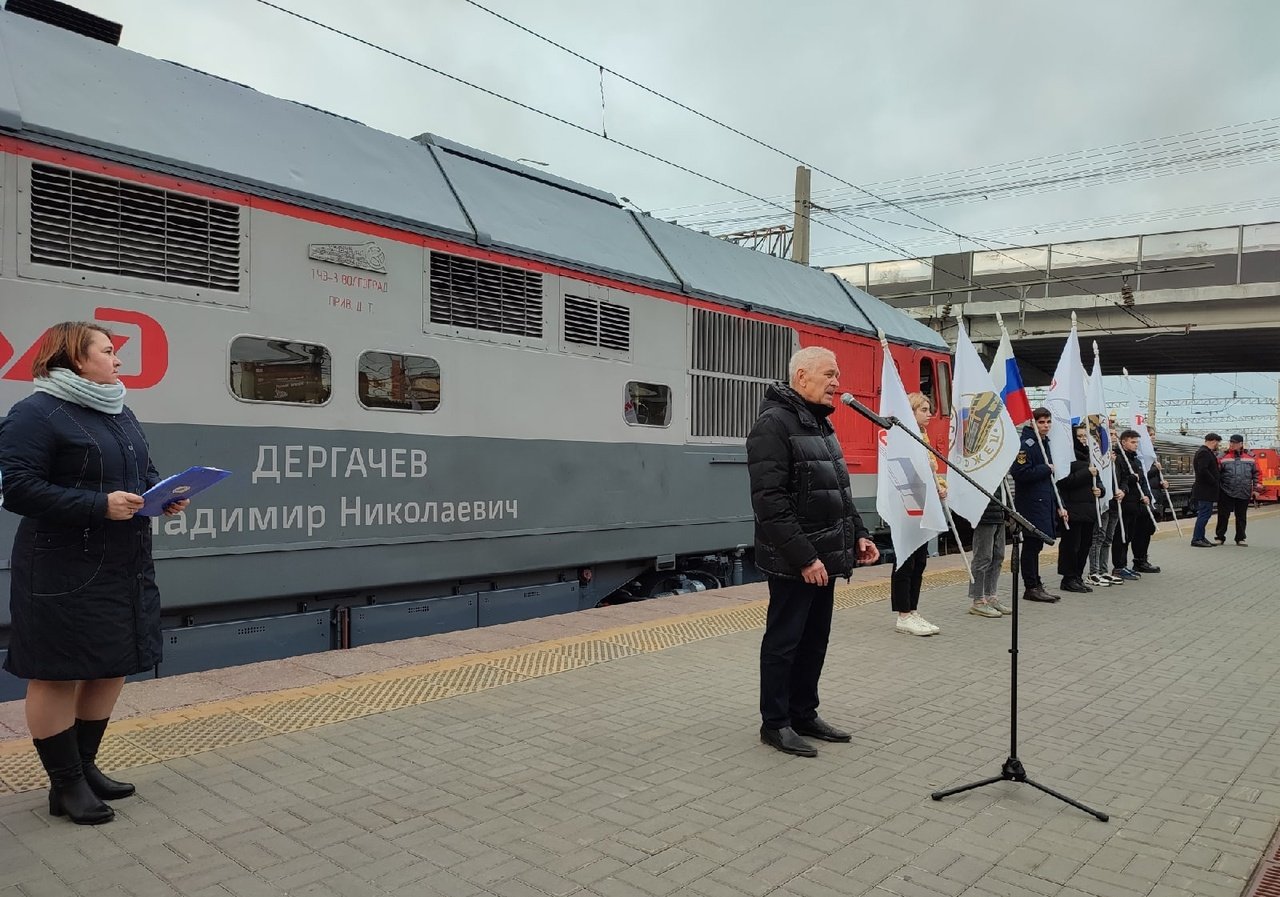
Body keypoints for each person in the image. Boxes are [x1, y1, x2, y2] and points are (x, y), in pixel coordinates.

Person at [0, 322, 188, 825]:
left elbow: (140, 473)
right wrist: (97, 505)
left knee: (113, 661)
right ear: (75, 359)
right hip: (62, 564)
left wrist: (161, 496)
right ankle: (64, 786)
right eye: (108, 351)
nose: (118, 360)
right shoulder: (35, 413)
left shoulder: (118, 411)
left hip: (122, 561)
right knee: (57, 673)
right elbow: (16, 488)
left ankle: (84, 768)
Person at [748, 346, 879, 758]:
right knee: (785, 641)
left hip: (827, 556)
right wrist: (805, 558)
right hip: (796, 562)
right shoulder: (773, 425)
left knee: (814, 641)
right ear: (802, 376)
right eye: (830, 374)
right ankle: (776, 723)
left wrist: (859, 532)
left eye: (837, 375)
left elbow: (838, 490)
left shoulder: (820, 425)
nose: (837, 383)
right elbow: (770, 501)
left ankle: (804, 713)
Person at [891, 392, 947, 635]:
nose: (929, 414)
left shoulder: (923, 437)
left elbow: (932, 473)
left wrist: (941, 487)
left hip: (923, 507)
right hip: (908, 508)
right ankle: (903, 614)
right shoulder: (902, 438)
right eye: (923, 410)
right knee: (905, 561)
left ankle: (913, 610)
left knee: (920, 561)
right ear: (911, 412)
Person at [1010, 407, 1066, 602]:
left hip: (1044, 501)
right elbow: (1019, 473)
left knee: (1037, 545)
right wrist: (1045, 468)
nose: (1046, 426)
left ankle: (1036, 583)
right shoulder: (1027, 444)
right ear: (1032, 423)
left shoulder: (1044, 443)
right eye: (1041, 422)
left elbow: (1050, 480)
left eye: (1048, 422)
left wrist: (1060, 504)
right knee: (1032, 545)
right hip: (1031, 503)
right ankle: (1031, 586)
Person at [1057, 425, 1102, 593]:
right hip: (1073, 509)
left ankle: (1077, 576)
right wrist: (1087, 473)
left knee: (1085, 545)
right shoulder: (1066, 458)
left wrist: (1101, 490)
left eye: (1085, 436)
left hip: (1089, 510)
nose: (1083, 439)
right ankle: (1068, 578)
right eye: (1080, 436)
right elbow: (1064, 482)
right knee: (1071, 546)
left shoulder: (1090, 457)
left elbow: (1099, 481)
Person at [1112, 429, 1159, 577]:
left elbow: (1143, 480)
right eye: (1132, 442)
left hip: (1135, 504)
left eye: (1136, 442)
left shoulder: (1136, 460)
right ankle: (1119, 566)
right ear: (1123, 442)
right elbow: (1120, 479)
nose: (1135, 445)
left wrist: (1146, 495)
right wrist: (1133, 479)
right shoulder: (1119, 458)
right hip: (1124, 504)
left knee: (1129, 536)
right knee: (1121, 536)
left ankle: (1124, 565)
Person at [967, 494, 1012, 617]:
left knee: (998, 557)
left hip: (999, 514)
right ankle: (978, 601)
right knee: (983, 558)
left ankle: (990, 596)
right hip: (984, 514)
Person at [1215, 434, 1259, 546]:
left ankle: (1240, 538)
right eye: (1231, 442)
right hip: (1226, 491)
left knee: (1241, 516)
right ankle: (1220, 537)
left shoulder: (1251, 458)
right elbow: (1216, 474)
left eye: (1234, 443)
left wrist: (1256, 490)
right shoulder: (1222, 457)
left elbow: (1257, 474)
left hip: (1244, 491)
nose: (1232, 444)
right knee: (1223, 516)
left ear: (1241, 444)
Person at [1190, 433, 1222, 547]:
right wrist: (1213, 481)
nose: (1218, 445)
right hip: (1205, 490)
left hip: (1206, 489)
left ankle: (1201, 537)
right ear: (1213, 441)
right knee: (1203, 515)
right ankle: (1197, 538)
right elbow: (1202, 470)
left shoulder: (1205, 452)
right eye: (1218, 442)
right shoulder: (1204, 453)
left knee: (1205, 514)